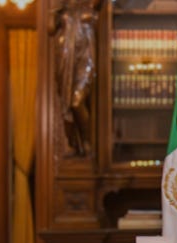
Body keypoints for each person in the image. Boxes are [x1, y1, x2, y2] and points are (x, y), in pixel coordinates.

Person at [49, 0, 102, 156]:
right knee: (66, 103)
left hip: (86, 58)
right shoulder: (64, 6)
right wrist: (55, 9)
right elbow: (50, 27)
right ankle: (72, 142)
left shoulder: (90, 4)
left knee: (76, 100)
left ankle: (87, 141)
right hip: (65, 58)